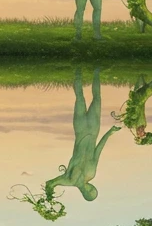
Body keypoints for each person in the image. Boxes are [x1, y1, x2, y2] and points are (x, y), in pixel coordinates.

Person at [44, 68, 121, 204]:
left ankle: (78, 71)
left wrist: (49, 198)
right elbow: (98, 150)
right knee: (97, 99)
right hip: (93, 129)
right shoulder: (91, 174)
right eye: (94, 189)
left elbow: (50, 183)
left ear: (87, 193)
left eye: (92, 190)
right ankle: (96, 71)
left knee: (80, 98)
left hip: (80, 130)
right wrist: (109, 133)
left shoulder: (69, 180)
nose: (93, 187)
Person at [112, 72, 152, 145]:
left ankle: (142, 76)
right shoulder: (141, 124)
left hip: (138, 102)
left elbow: (130, 117)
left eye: (139, 135)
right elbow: (137, 112)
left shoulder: (136, 126)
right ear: (145, 133)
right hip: (139, 100)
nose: (139, 134)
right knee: (146, 87)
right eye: (142, 134)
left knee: (142, 88)